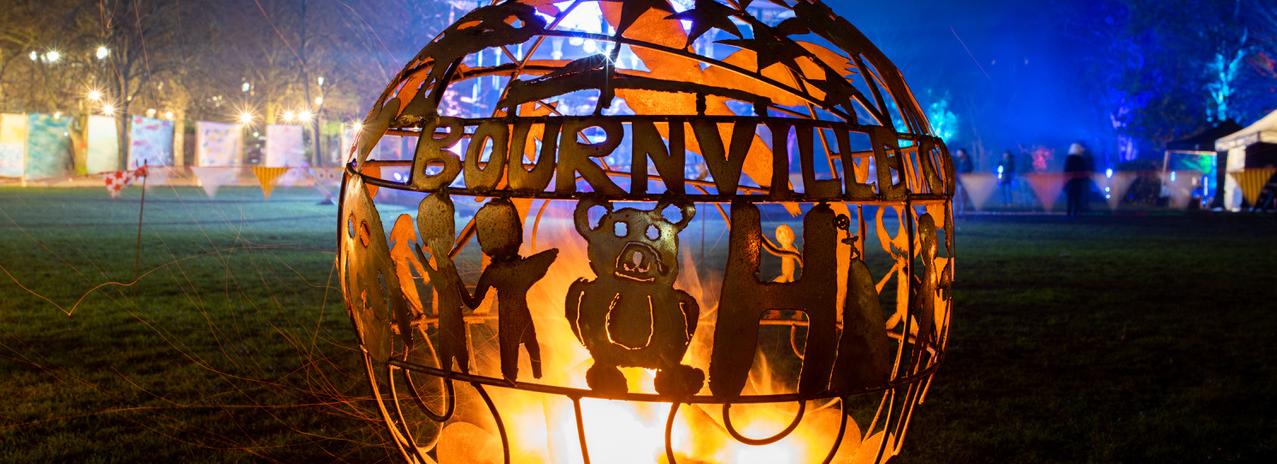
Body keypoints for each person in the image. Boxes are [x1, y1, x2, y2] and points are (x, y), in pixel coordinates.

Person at [1063, 143, 1094, 217]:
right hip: (1077, 181)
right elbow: (1083, 169)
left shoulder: (1069, 158)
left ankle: (1069, 212)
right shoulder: (1080, 159)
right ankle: (1076, 212)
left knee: (1070, 197)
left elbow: (1066, 170)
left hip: (1070, 181)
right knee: (1077, 196)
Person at [953, 148, 974, 214]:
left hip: (964, 183)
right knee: (956, 198)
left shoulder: (968, 162)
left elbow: (968, 170)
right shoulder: (958, 162)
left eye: (959, 152)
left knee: (963, 198)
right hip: (958, 181)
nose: (958, 154)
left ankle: (962, 212)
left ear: (963, 153)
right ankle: (955, 212)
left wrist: (960, 174)